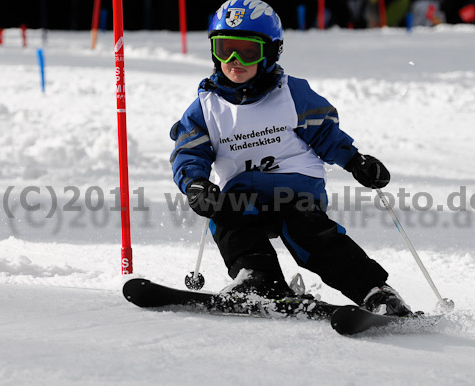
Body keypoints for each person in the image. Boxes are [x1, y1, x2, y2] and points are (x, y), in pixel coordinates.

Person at [169, 0, 412, 317]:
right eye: (225, 48)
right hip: (242, 193)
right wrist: (196, 184)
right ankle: (257, 278)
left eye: (247, 52)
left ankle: (374, 291)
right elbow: (190, 150)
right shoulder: (206, 106)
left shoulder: (292, 94)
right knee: (228, 214)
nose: (233, 60)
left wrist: (355, 162)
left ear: (270, 53)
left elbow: (326, 135)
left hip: (294, 190)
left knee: (306, 232)